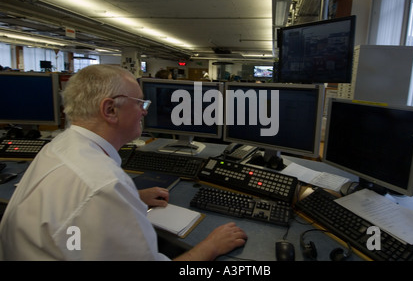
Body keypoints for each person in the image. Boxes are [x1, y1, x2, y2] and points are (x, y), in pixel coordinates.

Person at [0, 64, 247, 260]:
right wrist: (211, 247)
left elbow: (73, 203)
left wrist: (130, 198)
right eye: (139, 103)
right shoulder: (104, 185)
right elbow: (94, 191)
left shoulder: (60, 147)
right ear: (110, 110)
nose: (145, 111)